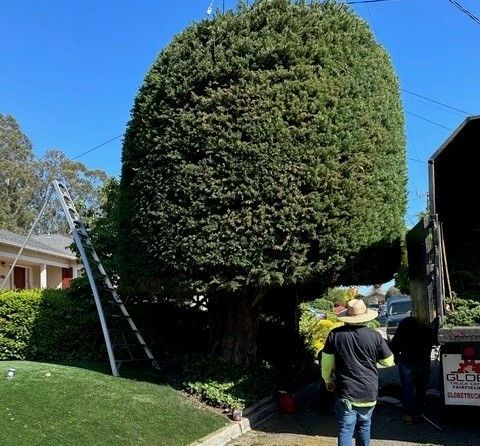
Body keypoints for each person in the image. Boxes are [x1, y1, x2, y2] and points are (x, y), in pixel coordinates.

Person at [322, 299, 394, 446]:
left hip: (345, 392)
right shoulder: (375, 336)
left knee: (345, 429)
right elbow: (388, 361)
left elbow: (326, 362)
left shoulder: (335, 335)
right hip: (368, 391)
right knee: (364, 426)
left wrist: (327, 380)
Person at [390, 314, 433, 424]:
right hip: (423, 362)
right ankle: (419, 414)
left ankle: (408, 415)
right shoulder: (426, 328)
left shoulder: (404, 326)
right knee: (421, 389)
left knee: (407, 389)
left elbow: (395, 345)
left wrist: (396, 356)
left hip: (406, 361)